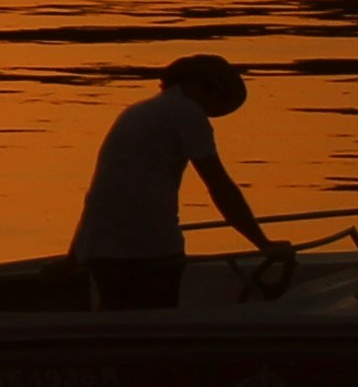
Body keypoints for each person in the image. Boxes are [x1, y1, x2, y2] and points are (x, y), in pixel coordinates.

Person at [70, 53, 268, 310]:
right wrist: (263, 244)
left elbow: (103, 193)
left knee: (118, 319)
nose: (209, 111)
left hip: (100, 248)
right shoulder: (186, 113)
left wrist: (75, 255)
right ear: (200, 86)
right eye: (215, 96)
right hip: (147, 249)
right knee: (152, 325)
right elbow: (219, 186)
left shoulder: (138, 111)